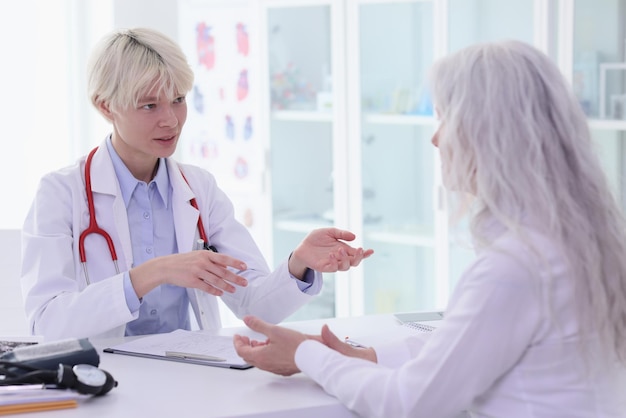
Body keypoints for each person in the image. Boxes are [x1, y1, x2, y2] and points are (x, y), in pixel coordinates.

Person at [233, 40, 626, 417]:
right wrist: (369, 356)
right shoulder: (574, 241)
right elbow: (468, 342)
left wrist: (304, 354)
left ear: (489, 134)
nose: (436, 139)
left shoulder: (515, 267)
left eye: (444, 119)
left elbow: (405, 403)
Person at [20, 27, 373, 341]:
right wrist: (153, 273)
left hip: (190, 373)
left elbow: (256, 306)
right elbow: (47, 323)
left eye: (178, 100)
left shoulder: (198, 188)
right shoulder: (61, 194)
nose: (171, 120)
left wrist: (300, 262)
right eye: (149, 106)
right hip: (104, 381)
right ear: (105, 106)